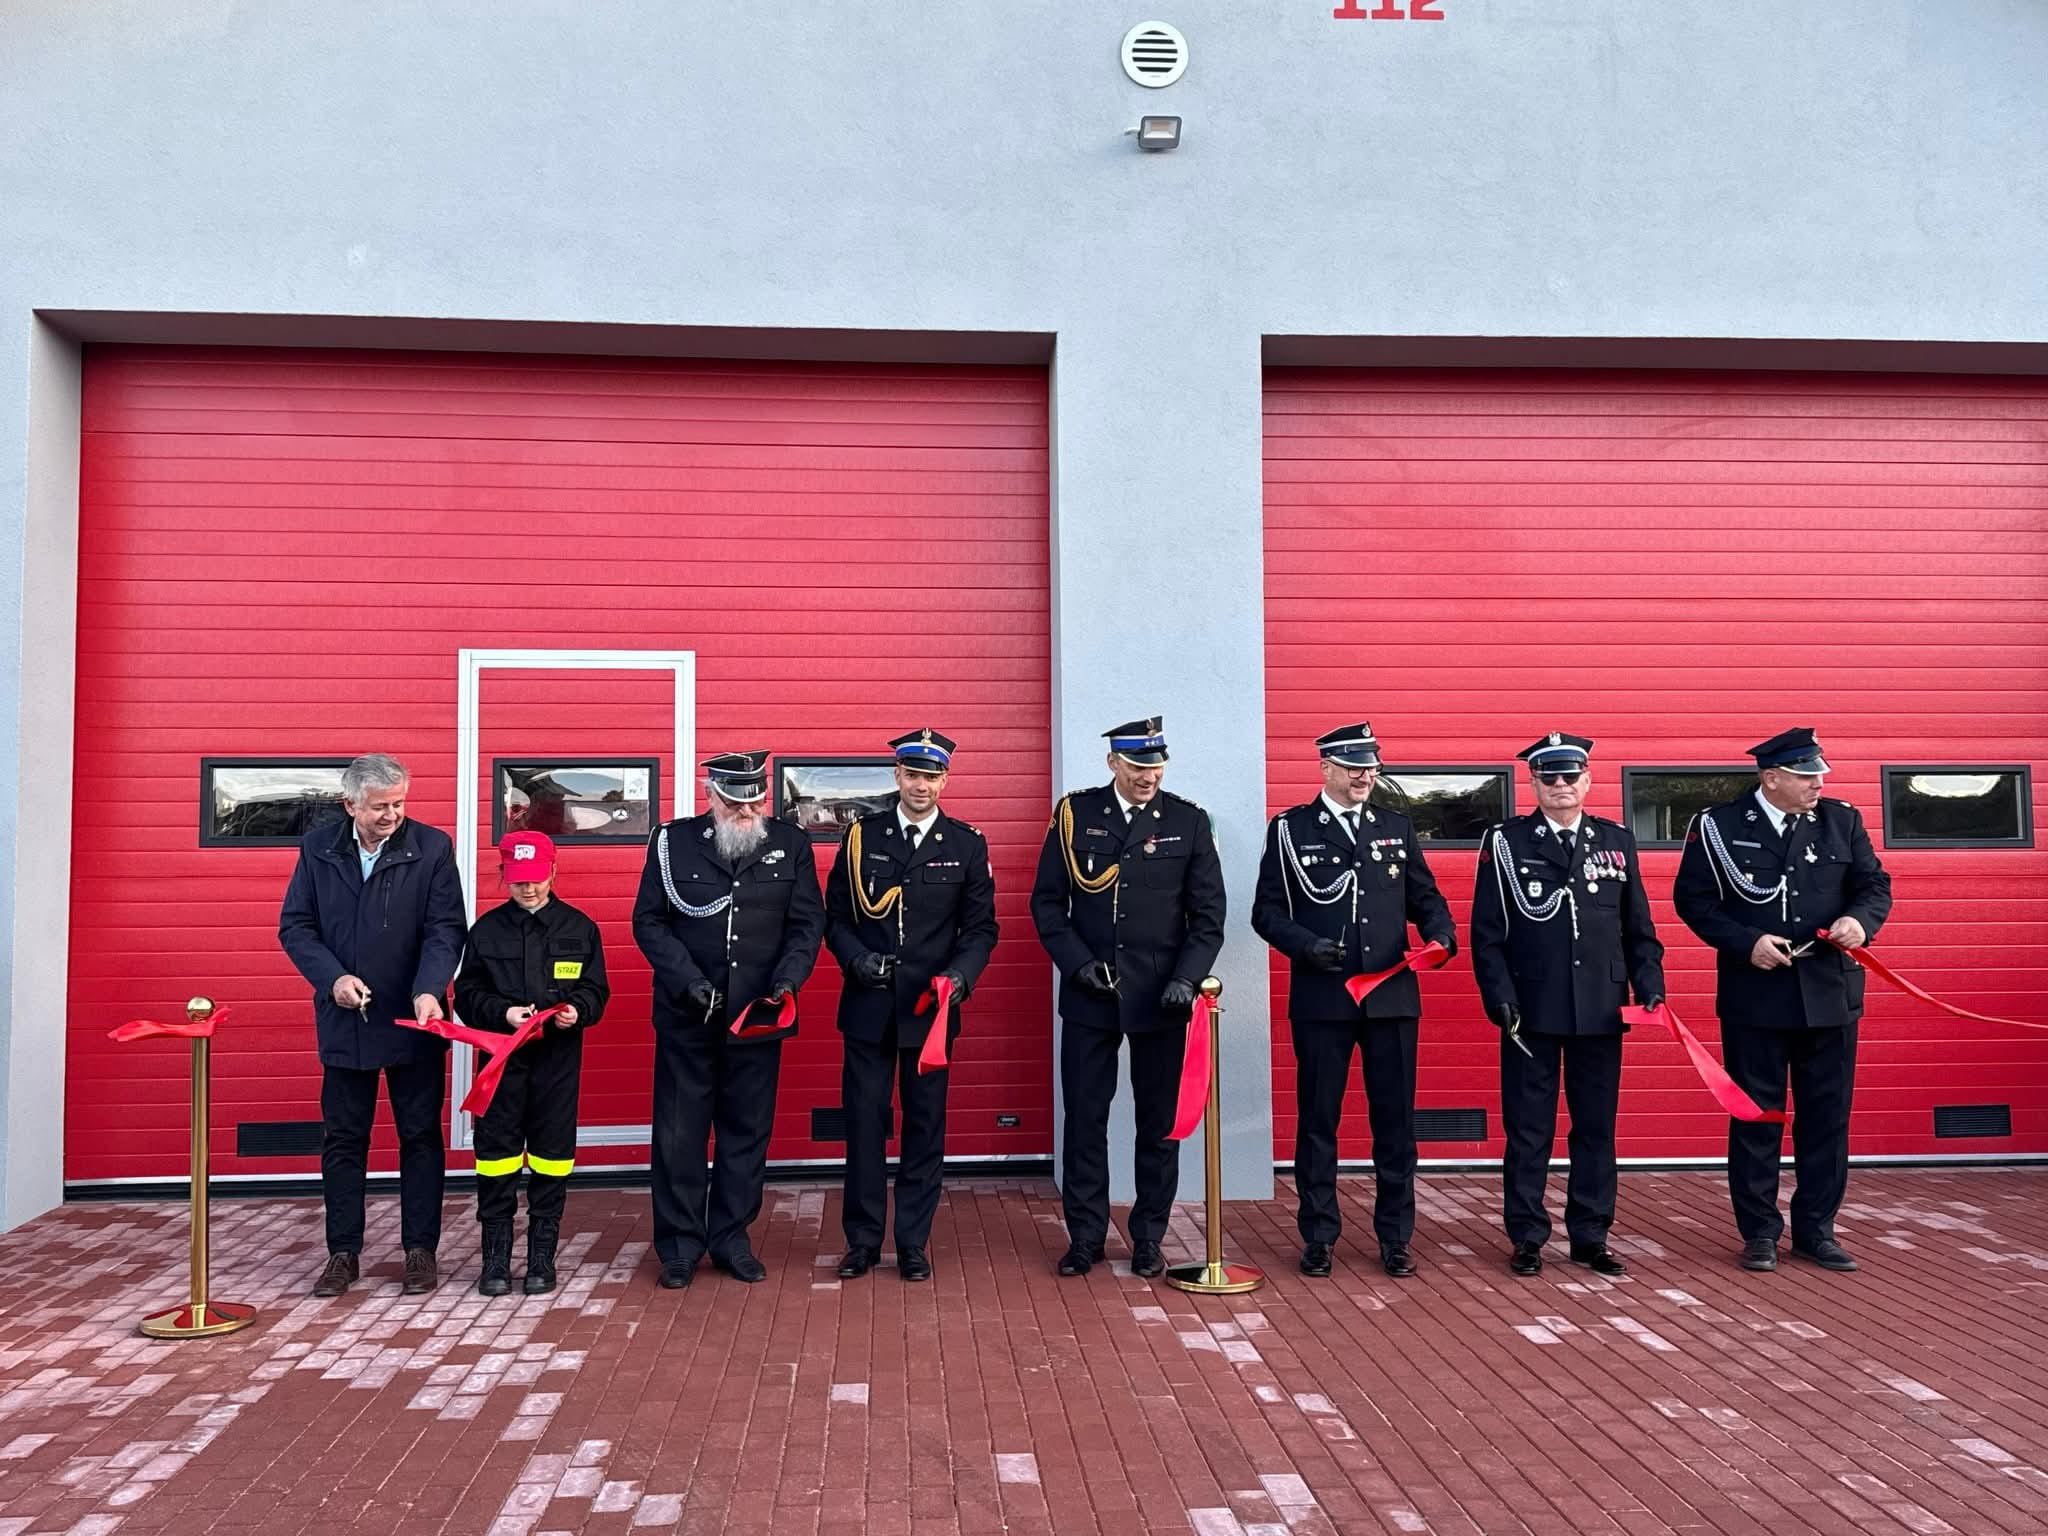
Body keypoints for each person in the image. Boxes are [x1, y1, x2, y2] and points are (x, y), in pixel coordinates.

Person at [1674, 727, 1892, 1274]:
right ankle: (1760, 1233)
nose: (1818, 784)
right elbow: (1694, 901)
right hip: (1757, 994)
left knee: (1826, 1119)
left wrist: (1859, 922)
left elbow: (1874, 886)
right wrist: (1746, 943)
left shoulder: (1841, 820)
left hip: (1829, 992)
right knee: (1756, 1117)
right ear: (1771, 778)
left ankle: (1817, 1231)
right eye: (1805, 775)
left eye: (1820, 774)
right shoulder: (1719, 825)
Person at [1250, 721, 1456, 1279]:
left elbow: (1425, 897)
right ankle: (1319, 1236)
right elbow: (1266, 912)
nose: (1365, 776)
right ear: (1327, 768)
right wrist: (1304, 945)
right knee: (1319, 1120)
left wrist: (1440, 932)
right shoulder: (1291, 829)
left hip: (1391, 997)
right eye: (1353, 767)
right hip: (1324, 999)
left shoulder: (1395, 826)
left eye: (1371, 766)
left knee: (1395, 1123)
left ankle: (1396, 1237)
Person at [1030, 716, 1226, 1279]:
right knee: (1085, 1120)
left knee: (1157, 1123)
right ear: (1113, 762)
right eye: (1139, 766)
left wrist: (1186, 977)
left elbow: (1208, 916)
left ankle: (1148, 1236)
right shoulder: (1076, 815)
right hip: (1091, 993)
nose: (1149, 776)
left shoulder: (1187, 821)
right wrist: (1077, 964)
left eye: (1157, 766)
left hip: (1161, 997)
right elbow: (1048, 903)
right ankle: (1086, 1236)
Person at [1470, 733, 1665, 1278]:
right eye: (1549, 777)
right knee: (1529, 1131)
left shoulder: (1616, 841)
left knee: (1596, 1130)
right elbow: (1487, 935)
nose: (1561, 785)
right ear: (1533, 784)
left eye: (1570, 776)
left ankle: (1590, 1236)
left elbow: (1638, 929)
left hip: (1601, 1009)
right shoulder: (1506, 842)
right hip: (1530, 1011)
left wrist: (1650, 984)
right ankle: (1527, 1236)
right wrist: (1499, 998)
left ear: (1587, 781)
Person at [632, 751, 824, 1287]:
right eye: (736, 802)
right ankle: (679, 1245)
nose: (747, 811)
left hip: (757, 1016)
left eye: (755, 802)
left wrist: (787, 982)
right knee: (679, 1134)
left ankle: (731, 1238)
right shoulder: (672, 842)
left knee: (746, 1133)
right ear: (711, 795)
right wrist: (687, 981)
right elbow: (649, 922)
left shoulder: (791, 844)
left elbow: (806, 924)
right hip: (687, 1015)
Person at [278, 752, 467, 1297]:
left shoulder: (431, 847)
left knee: (420, 1136)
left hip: (414, 1018)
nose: (393, 815)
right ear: (350, 805)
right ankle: (343, 1253)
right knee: (344, 1138)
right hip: (347, 1018)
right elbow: (296, 926)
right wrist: (332, 978)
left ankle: (420, 1250)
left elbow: (445, 928)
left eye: (399, 803)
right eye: (381, 806)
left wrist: (430, 988)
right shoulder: (318, 849)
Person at [824, 729, 999, 1283]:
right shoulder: (862, 836)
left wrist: (960, 976)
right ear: (897, 776)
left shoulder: (966, 844)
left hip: (930, 1011)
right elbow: (836, 918)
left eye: (932, 776)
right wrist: (855, 959)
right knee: (864, 1126)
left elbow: (981, 929)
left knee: (925, 1128)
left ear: (945, 781)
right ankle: (862, 1241)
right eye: (913, 775)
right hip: (868, 1008)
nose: (922, 785)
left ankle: (913, 1242)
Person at [452, 831, 610, 1296]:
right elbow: (466, 996)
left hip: (556, 1066)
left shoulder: (579, 928)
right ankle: (496, 1262)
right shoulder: (486, 931)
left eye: (537, 878)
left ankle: (542, 1259)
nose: (529, 888)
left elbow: (596, 990)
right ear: (504, 876)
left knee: (552, 1160)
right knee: (496, 1161)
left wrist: (578, 1010)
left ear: (553, 871)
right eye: (519, 879)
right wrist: (503, 1014)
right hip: (501, 1067)